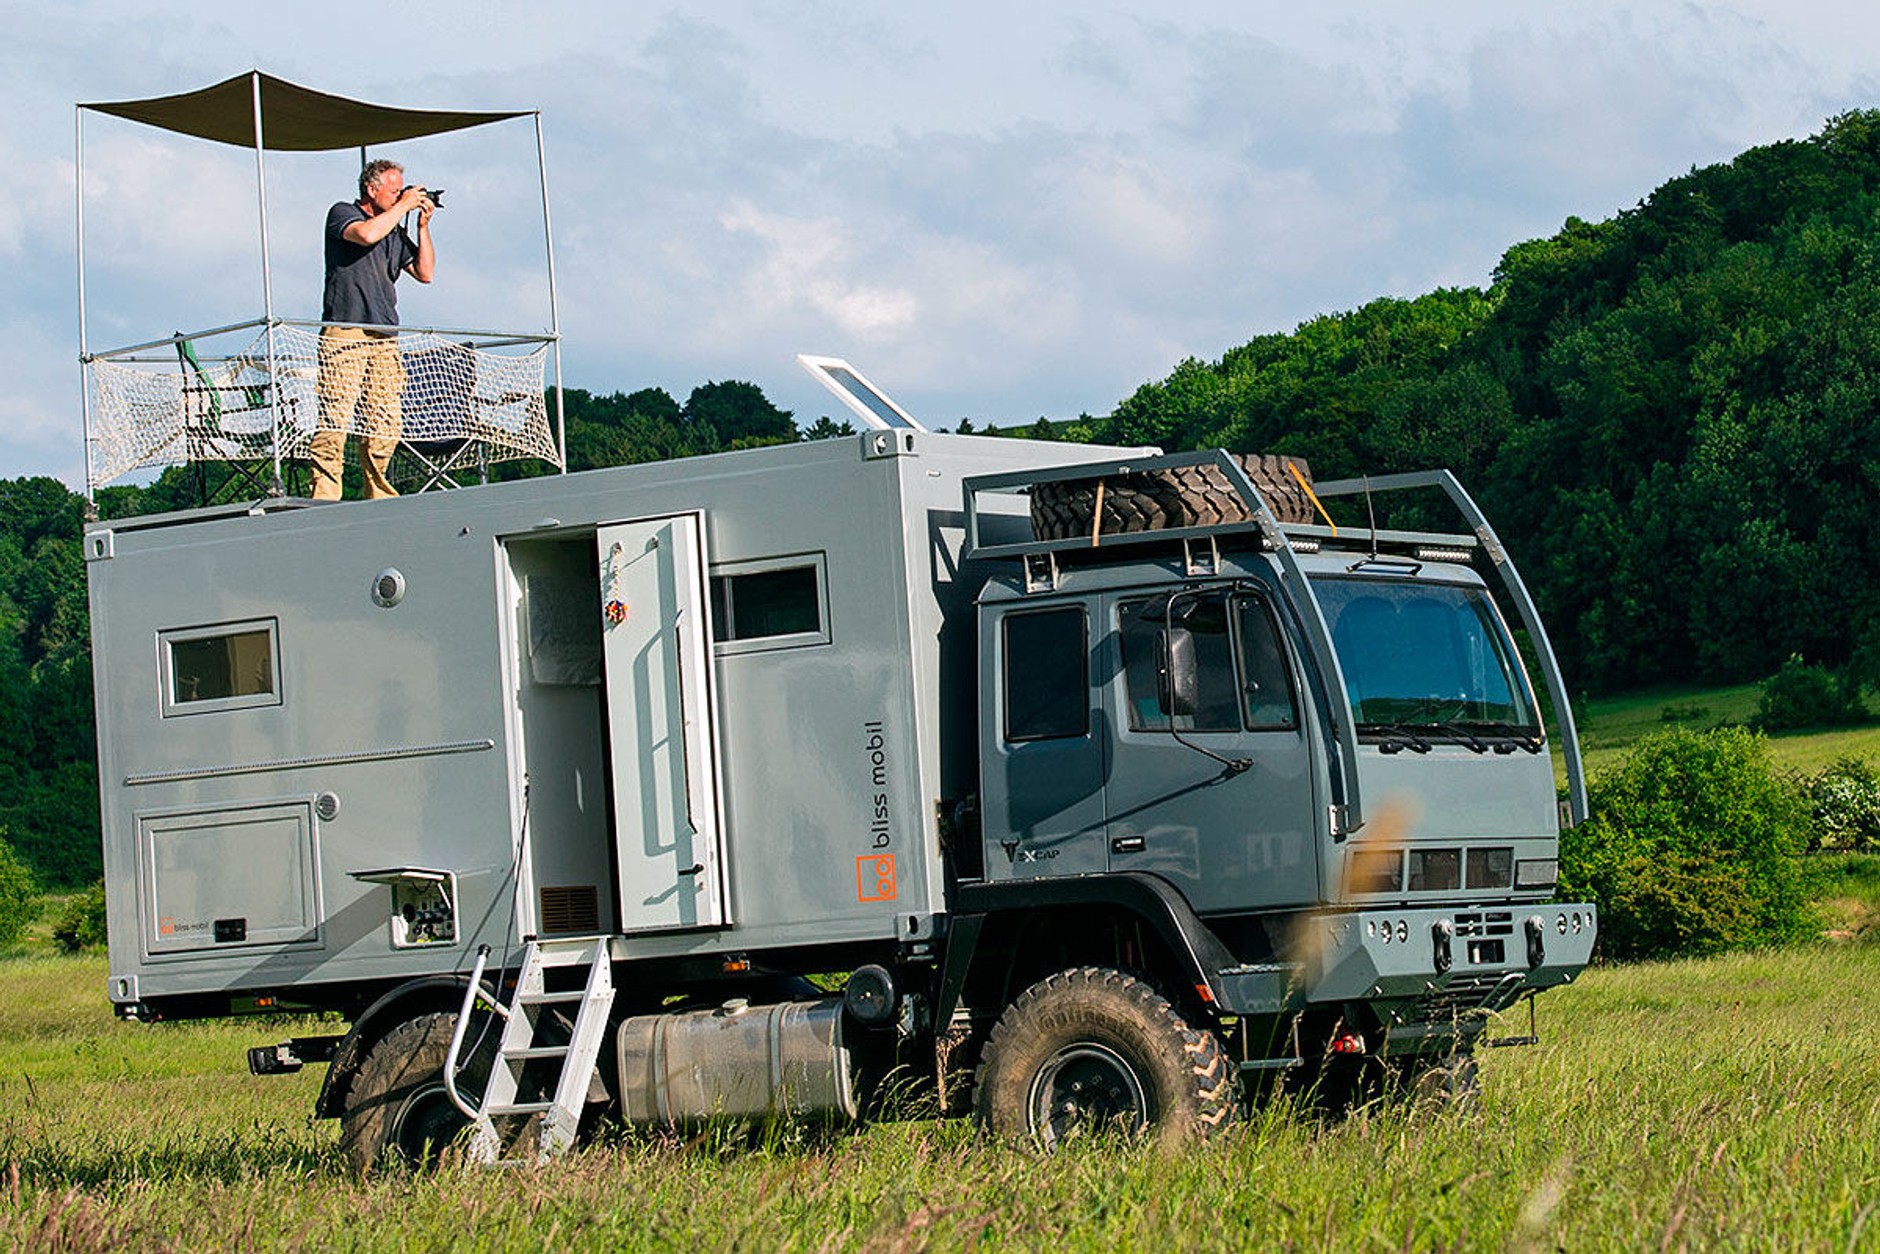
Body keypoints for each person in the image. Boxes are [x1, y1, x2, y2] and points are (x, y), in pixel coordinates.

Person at [311, 159, 438, 500]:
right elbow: (367, 234)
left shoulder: (394, 230)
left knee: (384, 423)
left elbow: (425, 273)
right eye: (395, 190)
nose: (401, 196)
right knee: (335, 417)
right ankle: (324, 495)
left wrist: (422, 225)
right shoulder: (342, 213)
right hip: (345, 331)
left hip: (384, 337)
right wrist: (404, 207)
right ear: (372, 188)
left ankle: (378, 495)